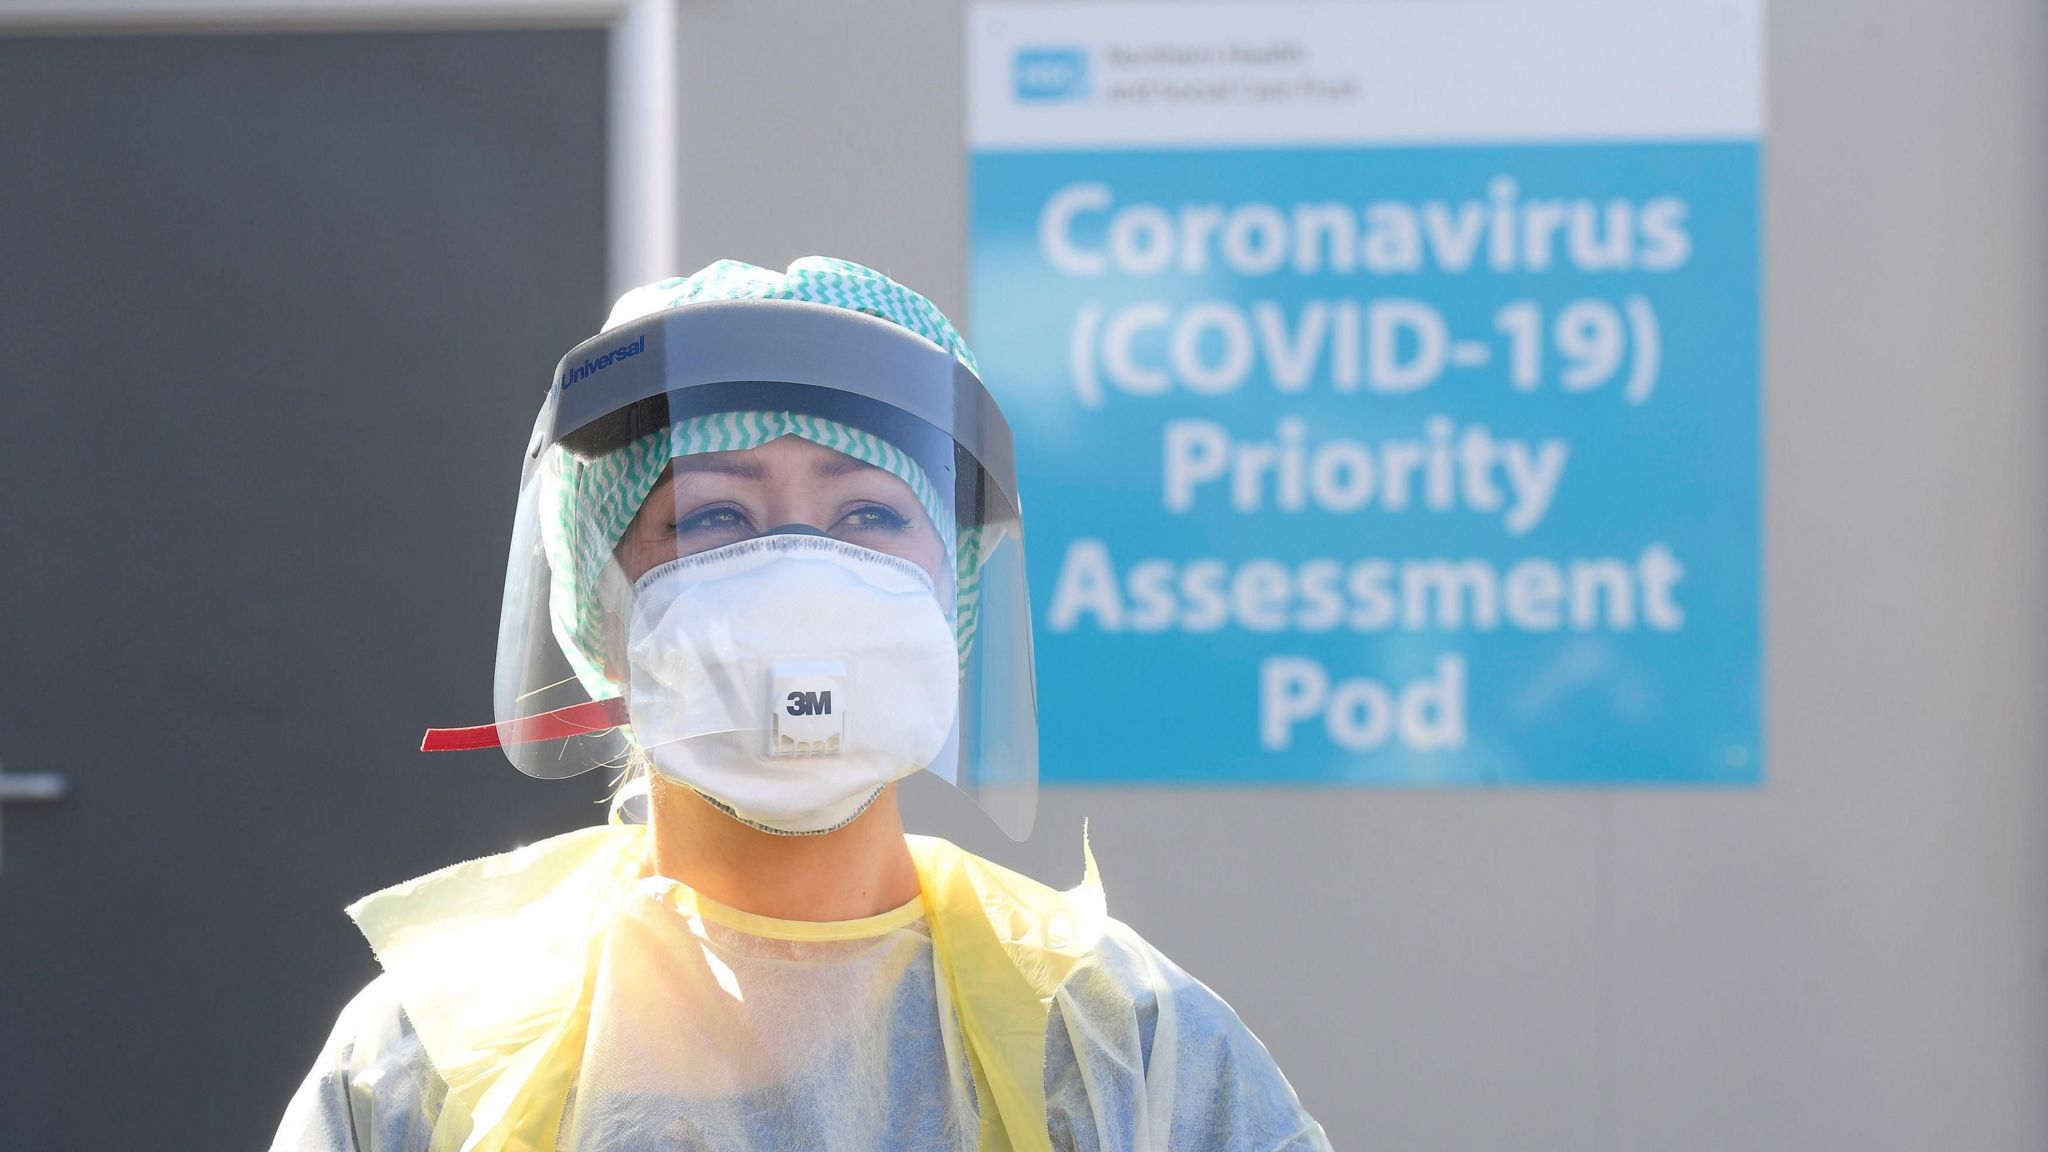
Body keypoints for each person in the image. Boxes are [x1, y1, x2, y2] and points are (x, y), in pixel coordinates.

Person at [271, 257, 1331, 1151]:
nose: (799, 580)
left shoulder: (1114, 1044)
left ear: (952, 593)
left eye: (868, 511)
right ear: (605, 610)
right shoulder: (438, 1059)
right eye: (714, 516)